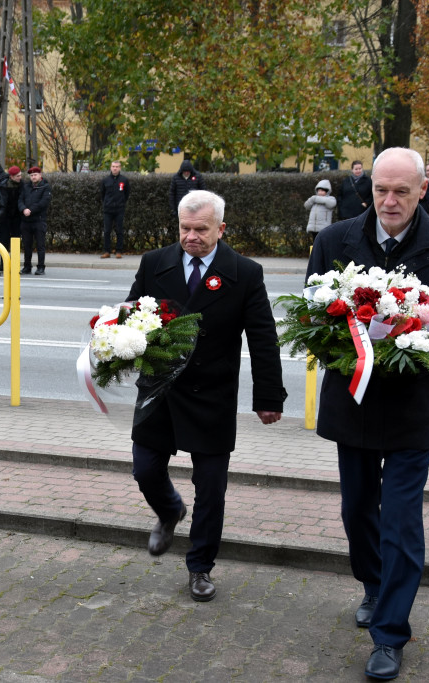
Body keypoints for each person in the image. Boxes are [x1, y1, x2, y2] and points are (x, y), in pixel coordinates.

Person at [307, 147, 429, 681]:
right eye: (381, 189)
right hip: (353, 404)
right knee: (358, 511)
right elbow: (313, 319)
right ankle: (373, 586)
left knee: (400, 522)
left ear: (424, 188)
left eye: (402, 190)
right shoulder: (335, 241)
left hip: (412, 411)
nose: (389, 200)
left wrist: (417, 333)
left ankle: (390, 633)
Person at [126, 189, 287, 603]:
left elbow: (264, 338)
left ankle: (200, 567)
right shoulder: (154, 263)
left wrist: (269, 395)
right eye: (184, 228)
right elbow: (131, 313)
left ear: (221, 229)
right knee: (145, 469)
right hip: (159, 389)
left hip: (211, 393)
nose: (191, 237)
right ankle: (169, 510)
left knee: (211, 488)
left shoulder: (244, 273)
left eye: (201, 229)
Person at [18, 166, 51, 275]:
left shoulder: (45, 187)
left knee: (40, 245)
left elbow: (43, 202)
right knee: (27, 245)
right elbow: (20, 200)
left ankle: (41, 267)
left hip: (39, 220)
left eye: (35, 175)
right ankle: (27, 266)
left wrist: (31, 210)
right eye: (31, 175)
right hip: (26, 221)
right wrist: (23, 209)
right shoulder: (26, 187)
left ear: (40, 175)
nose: (33, 177)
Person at [100, 160, 130, 258]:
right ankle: (107, 251)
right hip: (108, 210)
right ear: (110, 167)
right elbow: (102, 194)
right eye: (113, 166)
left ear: (120, 168)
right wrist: (106, 203)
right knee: (107, 231)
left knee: (119, 231)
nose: (115, 168)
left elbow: (127, 194)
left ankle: (118, 251)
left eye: (117, 166)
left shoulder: (124, 180)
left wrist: (121, 203)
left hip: (119, 210)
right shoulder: (105, 180)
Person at [303, 178, 336, 246]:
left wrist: (316, 199)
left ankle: (322, 256)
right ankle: (315, 256)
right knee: (315, 243)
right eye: (319, 191)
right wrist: (312, 199)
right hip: (313, 227)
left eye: (322, 191)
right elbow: (306, 205)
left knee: (322, 243)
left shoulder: (330, 199)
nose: (320, 192)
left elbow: (332, 204)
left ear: (327, 191)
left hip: (323, 227)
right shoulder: (313, 200)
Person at [0, 166, 22, 253]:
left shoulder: (22, 186)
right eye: (18, 176)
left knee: (16, 241)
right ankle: (3, 264)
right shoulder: (2, 186)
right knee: (4, 242)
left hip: (17, 218)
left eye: (20, 175)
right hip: (5, 218)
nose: (20, 177)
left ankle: (14, 264)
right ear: (11, 177)